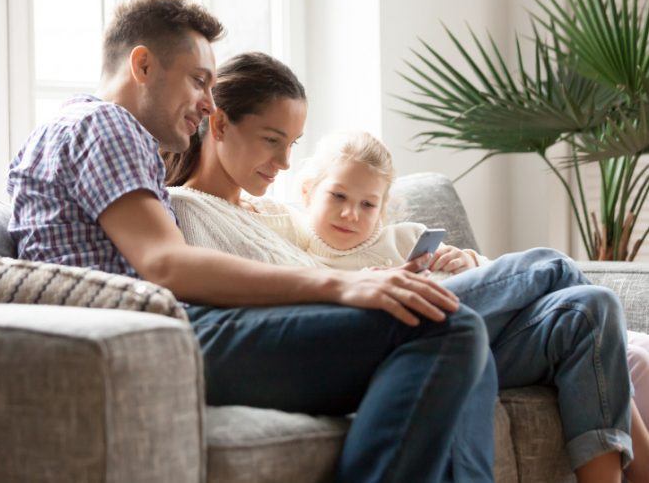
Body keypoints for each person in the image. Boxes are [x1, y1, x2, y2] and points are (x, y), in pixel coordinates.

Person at [7, 0, 495, 483]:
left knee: (449, 327)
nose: (208, 102)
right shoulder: (106, 124)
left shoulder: (63, 131)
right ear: (142, 65)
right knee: (445, 325)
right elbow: (166, 264)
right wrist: (340, 287)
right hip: (158, 335)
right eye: (199, 80)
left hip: (157, 331)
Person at [165, 51, 638, 482]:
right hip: (359, 331)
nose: (285, 162)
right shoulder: (186, 209)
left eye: (292, 144)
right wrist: (355, 284)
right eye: (273, 140)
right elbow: (252, 301)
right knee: (551, 267)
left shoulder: (271, 211)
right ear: (221, 125)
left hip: (383, 316)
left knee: (587, 305)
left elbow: (329, 257)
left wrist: (439, 265)